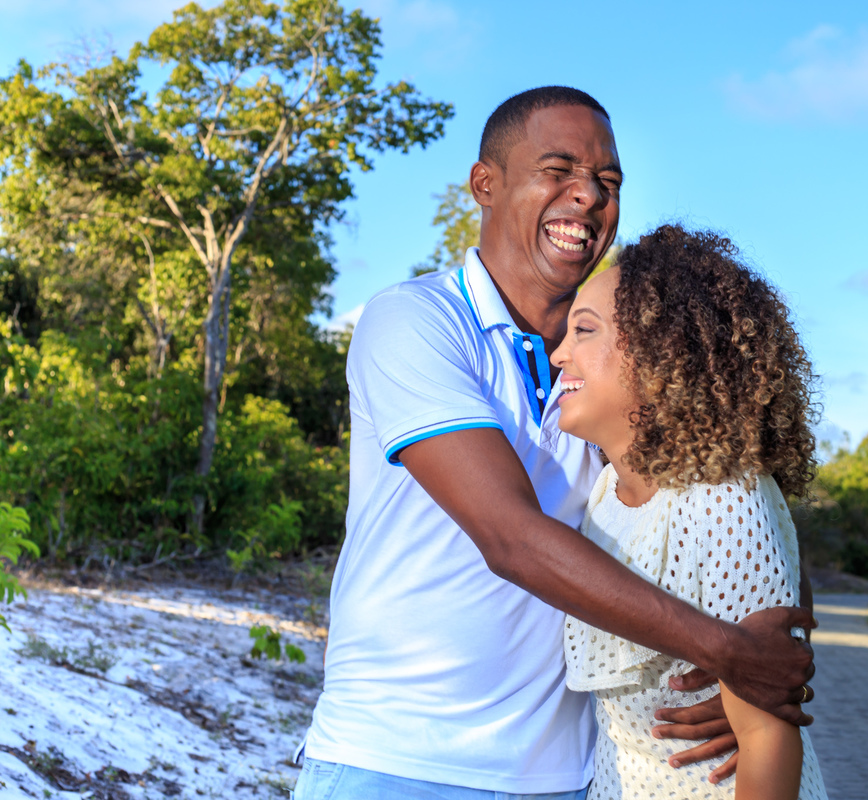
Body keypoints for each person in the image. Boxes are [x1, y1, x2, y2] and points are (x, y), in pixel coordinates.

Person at [294, 87, 817, 800]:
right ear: (485, 183)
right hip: (398, 764)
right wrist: (725, 650)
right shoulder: (414, 322)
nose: (587, 197)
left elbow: (745, 516)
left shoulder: (620, 367)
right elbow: (510, 536)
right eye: (558, 169)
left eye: (607, 182)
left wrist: (767, 670)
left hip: (572, 778)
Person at [552, 225, 828, 800]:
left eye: (584, 331)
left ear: (660, 357)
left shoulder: (723, 498)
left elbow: (767, 734)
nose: (560, 352)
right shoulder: (603, 494)